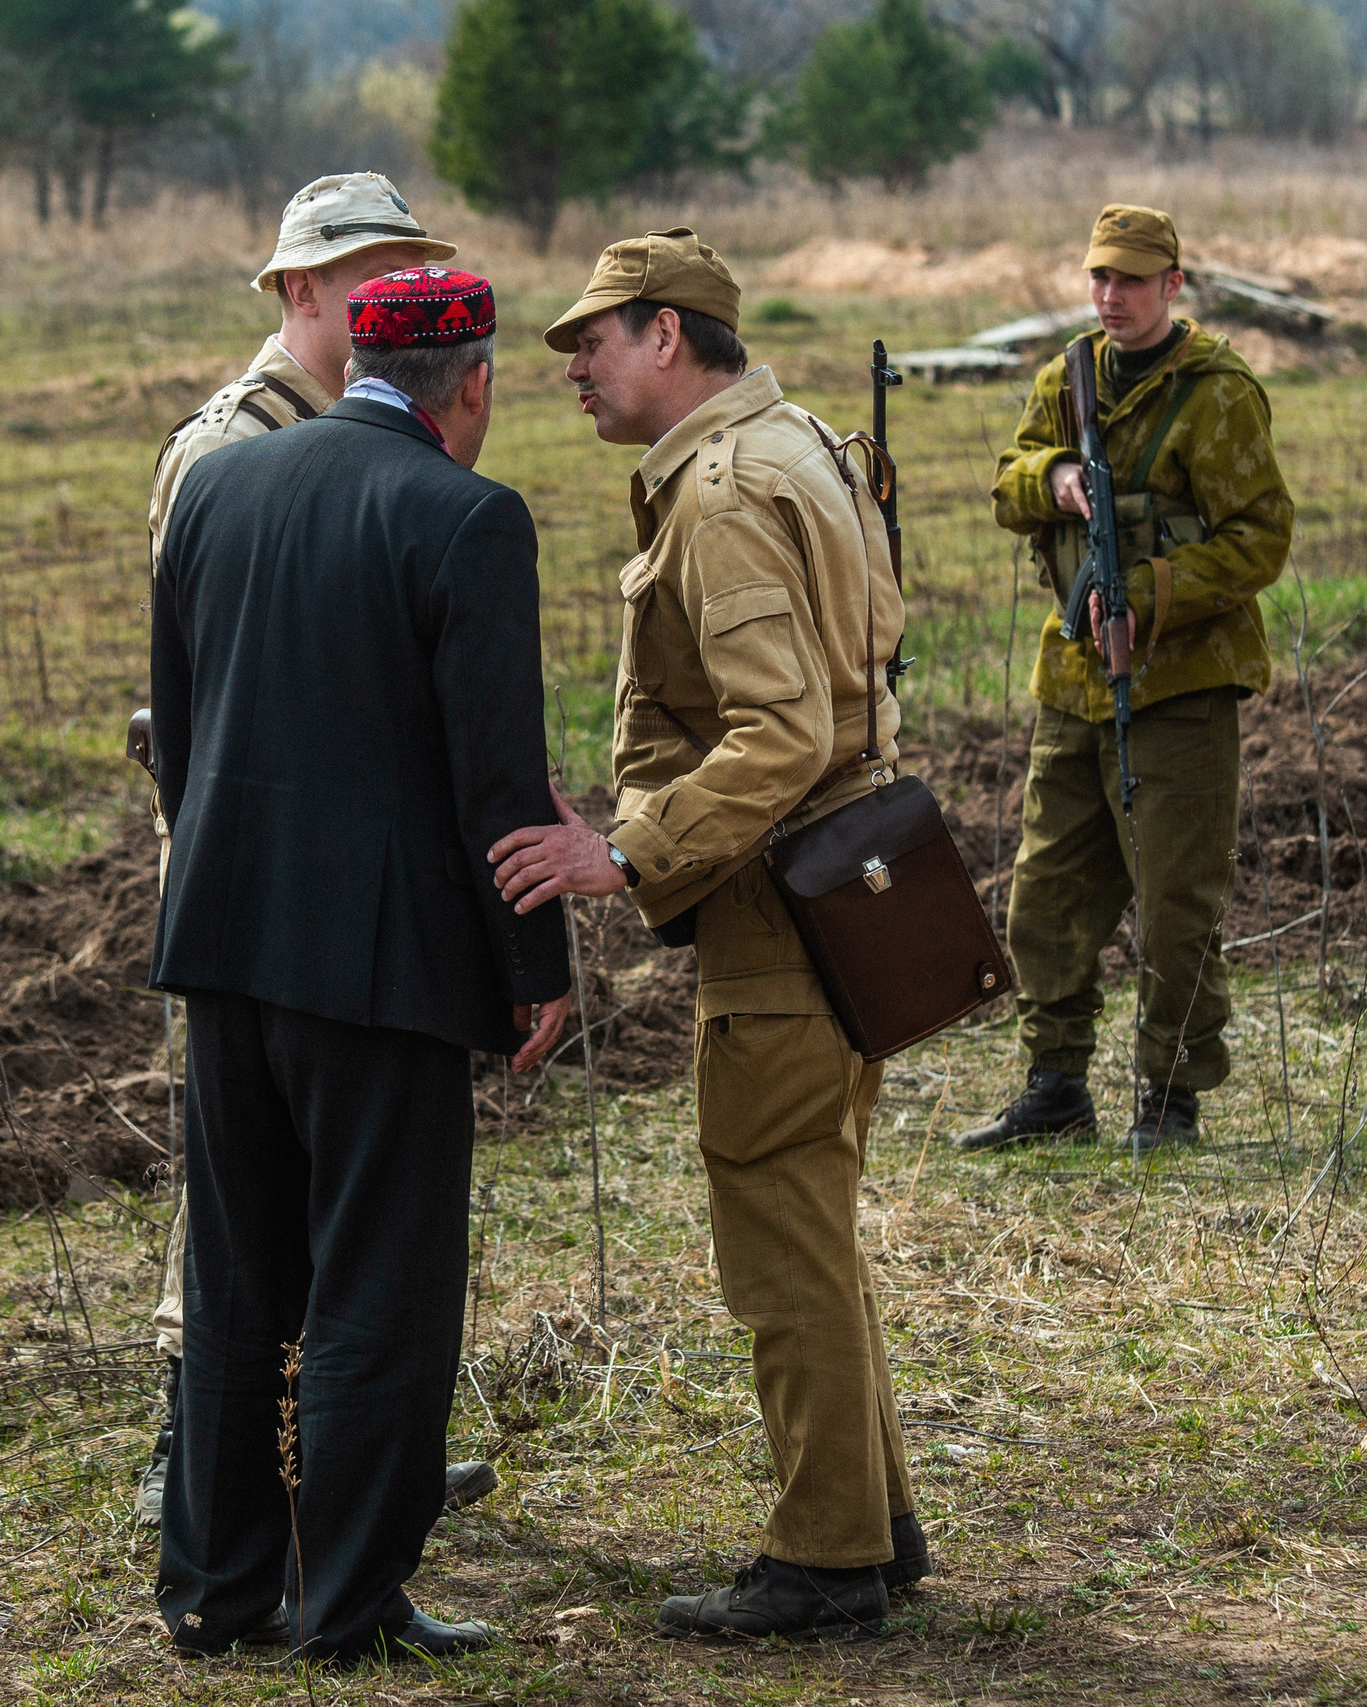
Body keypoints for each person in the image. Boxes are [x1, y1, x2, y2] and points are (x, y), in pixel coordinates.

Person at [491, 228, 930, 1641]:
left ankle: (824, 1557)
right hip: (843, 889)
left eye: (594, 339)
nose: (573, 367)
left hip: (780, 917)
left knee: (781, 1238)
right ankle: (875, 1518)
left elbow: (784, 727)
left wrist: (626, 849)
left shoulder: (727, 486)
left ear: (669, 334)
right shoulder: (798, 440)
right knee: (817, 1220)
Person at [151, 267, 572, 1664]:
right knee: (379, 1288)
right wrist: (538, 965)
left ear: (356, 368)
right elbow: (502, 781)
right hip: (383, 970)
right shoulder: (466, 516)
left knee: (237, 1275)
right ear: (477, 382)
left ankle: (216, 1589)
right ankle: (351, 1602)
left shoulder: (216, 489)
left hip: (223, 944)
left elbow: (185, 717)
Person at [134, 171, 499, 1528]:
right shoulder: (230, 445)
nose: (388, 295)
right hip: (263, 874)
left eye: (405, 270)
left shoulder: (365, 431)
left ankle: (346, 1459)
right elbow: (197, 688)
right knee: (242, 1220)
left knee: (336, 1211)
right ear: (296, 292)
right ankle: (207, 1471)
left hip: (334, 873)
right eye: (363, 277)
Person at [962, 204, 1294, 1155]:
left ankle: (1170, 1096)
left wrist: (1154, 590)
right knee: (1046, 894)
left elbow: (1262, 537)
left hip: (1181, 685)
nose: (1111, 298)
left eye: (1132, 281)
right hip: (1073, 679)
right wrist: (1058, 476)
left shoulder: (1218, 393)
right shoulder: (1065, 380)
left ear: (1173, 285)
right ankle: (1056, 1084)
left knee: (1177, 902)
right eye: (1100, 278)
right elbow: (1005, 482)